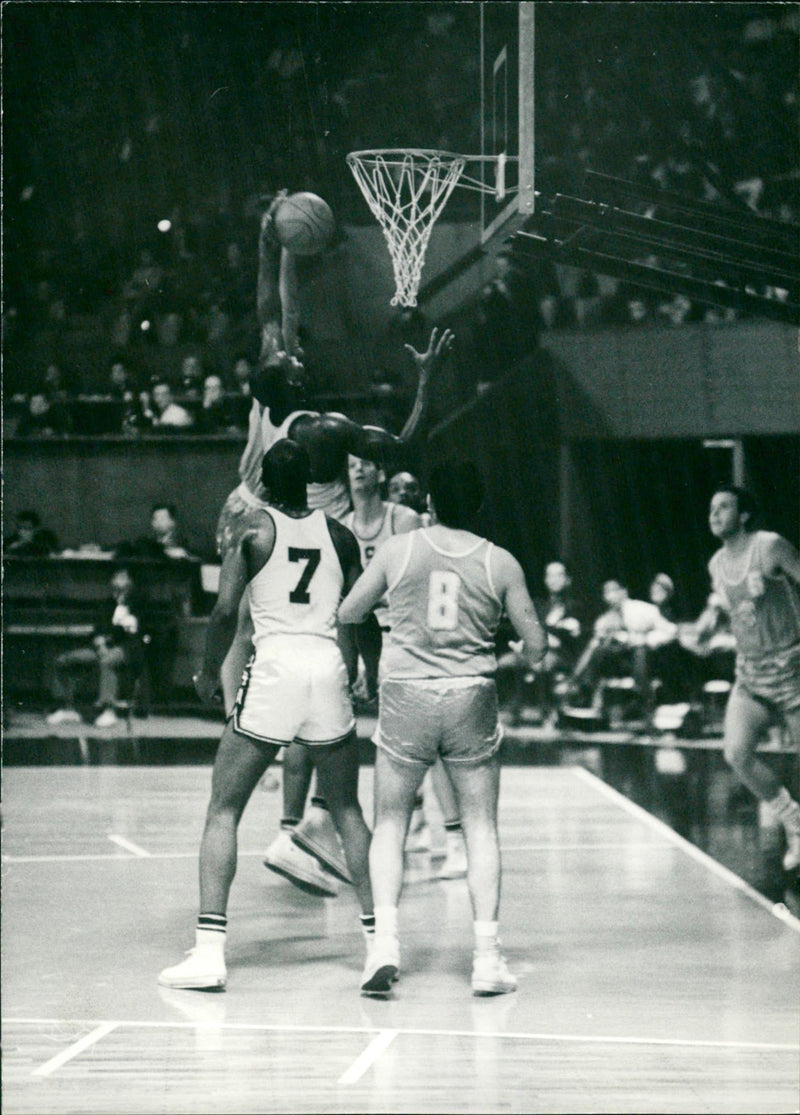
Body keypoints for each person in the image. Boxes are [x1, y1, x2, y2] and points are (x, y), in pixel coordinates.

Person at [214, 197, 453, 896]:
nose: (295, 348)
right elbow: (277, 313)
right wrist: (428, 381)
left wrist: (273, 245)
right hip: (296, 537)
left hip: (249, 519)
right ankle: (302, 825)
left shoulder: (270, 403)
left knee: (276, 675)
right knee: (322, 680)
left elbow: (272, 308)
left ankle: (295, 812)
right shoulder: (323, 429)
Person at [158, 440, 375, 991]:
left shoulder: (252, 529)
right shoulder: (341, 533)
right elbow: (360, 611)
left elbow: (226, 610)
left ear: (263, 478)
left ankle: (209, 953)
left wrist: (208, 674)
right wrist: (365, 668)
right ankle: (380, 943)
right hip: (326, 669)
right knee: (347, 807)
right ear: (310, 479)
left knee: (223, 809)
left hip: (277, 669)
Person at [339, 459, 547, 997]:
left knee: (390, 823)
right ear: (478, 506)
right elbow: (538, 647)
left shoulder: (398, 549)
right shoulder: (500, 562)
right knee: (481, 827)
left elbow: (349, 611)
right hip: (471, 695)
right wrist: (492, 657)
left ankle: (383, 946)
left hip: (406, 692)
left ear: (429, 502)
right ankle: (487, 958)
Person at [346, 454, 468, 879]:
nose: (357, 470)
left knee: (428, 746)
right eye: (350, 464)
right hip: (368, 636)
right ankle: (409, 824)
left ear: (380, 473)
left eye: (364, 463)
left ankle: (454, 841)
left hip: (410, 637)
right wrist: (361, 657)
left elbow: (427, 580)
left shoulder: (406, 521)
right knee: (392, 745)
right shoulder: (342, 524)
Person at [707, 485, 800, 873]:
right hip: (750, 672)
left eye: (724, 507)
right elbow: (738, 612)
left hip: (793, 668)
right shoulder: (715, 564)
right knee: (736, 753)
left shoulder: (770, 545)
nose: (714, 514)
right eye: (712, 508)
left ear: (743, 514)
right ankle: (794, 820)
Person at [46, 567, 148, 728]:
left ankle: (109, 711)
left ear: (131, 583)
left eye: (122, 577)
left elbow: (134, 633)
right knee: (63, 660)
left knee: (107, 661)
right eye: (115, 577)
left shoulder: (139, 605)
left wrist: (113, 637)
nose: (117, 581)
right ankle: (67, 707)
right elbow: (98, 629)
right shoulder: (106, 604)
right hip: (101, 647)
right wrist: (99, 641)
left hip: (127, 649)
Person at [569, 578, 678, 718]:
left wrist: (644, 640)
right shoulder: (604, 620)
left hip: (647, 658)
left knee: (640, 652)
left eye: (614, 590)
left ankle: (645, 701)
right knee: (597, 650)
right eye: (606, 592)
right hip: (618, 661)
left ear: (624, 592)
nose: (610, 595)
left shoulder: (643, 610)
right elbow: (594, 646)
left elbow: (671, 631)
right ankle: (583, 694)